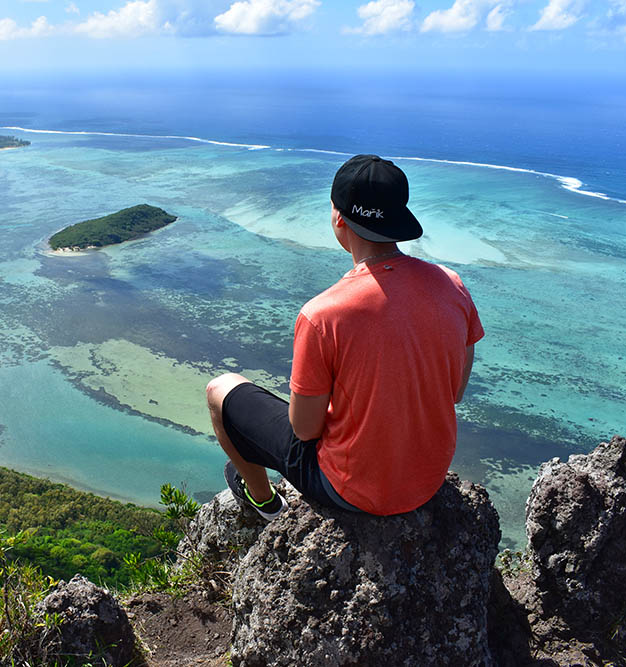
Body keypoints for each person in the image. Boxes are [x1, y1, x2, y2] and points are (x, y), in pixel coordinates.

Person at [205, 154, 484, 520]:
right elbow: (455, 392)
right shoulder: (452, 286)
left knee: (220, 389)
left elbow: (304, 430)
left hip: (354, 491)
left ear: (338, 217)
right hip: (427, 479)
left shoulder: (324, 314)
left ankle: (264, 502)